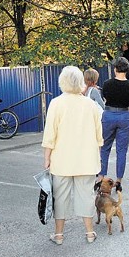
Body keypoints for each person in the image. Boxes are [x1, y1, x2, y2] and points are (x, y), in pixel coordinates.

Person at [42, 66, 104, 245]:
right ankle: (90, 232)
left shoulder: (56, 103)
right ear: (81, 83)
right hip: (87, 159)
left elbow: (50, 134)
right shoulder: (90, 104)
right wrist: (98, 155)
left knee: (60, 197)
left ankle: (59, 235)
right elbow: (99, 135)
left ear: (62, 82)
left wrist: (47, 157)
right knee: (86, 195)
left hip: (62, 159)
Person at [96, 57, 129, 193]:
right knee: (121, 150)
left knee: (105, 147)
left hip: (109, 115)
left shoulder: (107, 84)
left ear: (115, 69)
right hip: (124, 116)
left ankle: (101, 177)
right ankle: (119, 181)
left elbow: (105, 98)